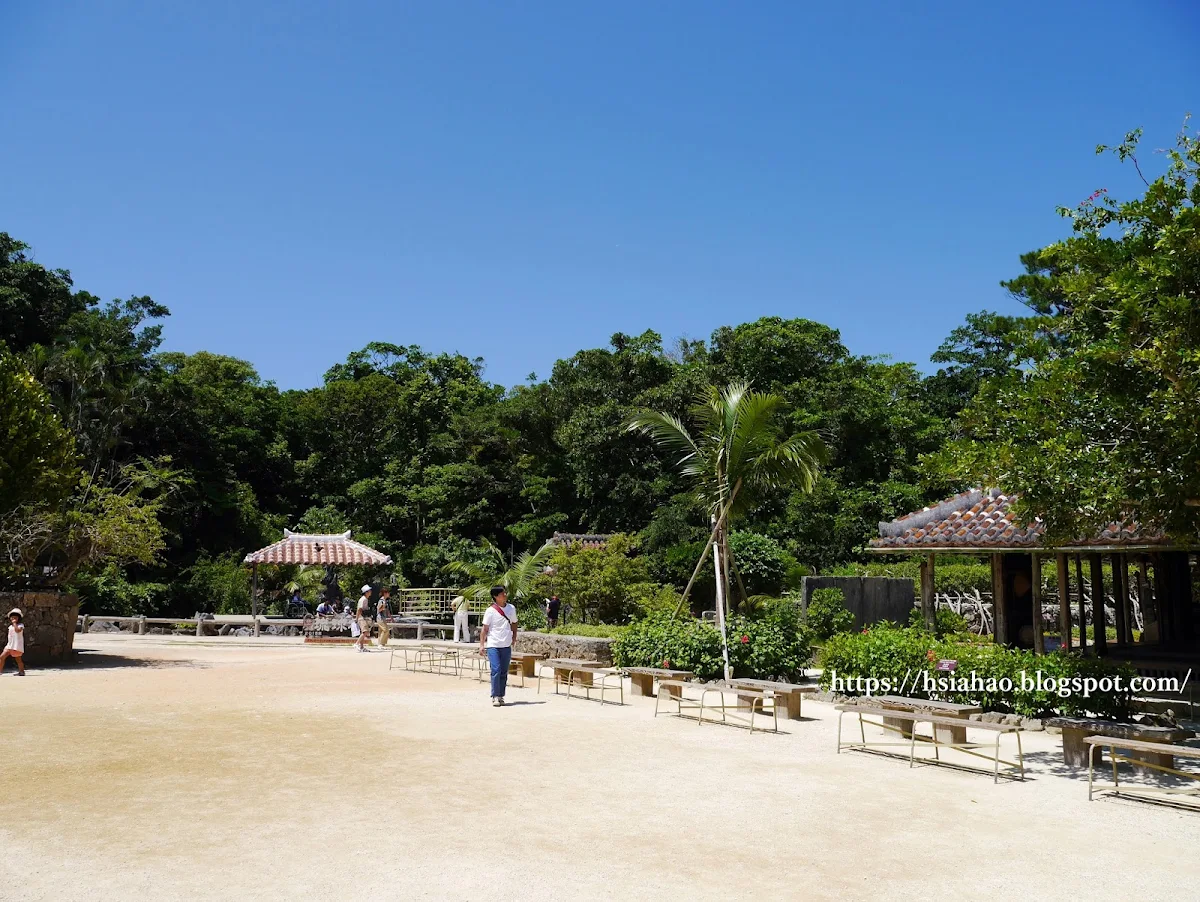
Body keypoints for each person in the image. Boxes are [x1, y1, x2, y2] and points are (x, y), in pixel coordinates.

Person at [479, 586, 517, 706]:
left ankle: (501, 695)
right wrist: (481, 645)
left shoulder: (511, 608)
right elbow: (485, 629)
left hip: (506, 644)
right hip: (493, 644)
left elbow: (514, 623)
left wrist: (514, 637)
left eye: (505, 593)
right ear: (496, 596)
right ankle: (495, 695)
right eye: (502, 594)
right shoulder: (490, 611)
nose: (505, 595)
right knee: (496, 669)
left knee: (503, 671)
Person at [1, 608, 26, 676]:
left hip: (16, 646)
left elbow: (17, 631)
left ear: (19, 618)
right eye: (12, 616)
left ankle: (22, 671)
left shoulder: (20, 625)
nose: (13, 618)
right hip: (9, 645)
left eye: (15, 616)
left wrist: (14, 623)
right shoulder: (10, 627)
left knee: (18, 660)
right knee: (2, 657)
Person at [354, 585, 372, 652]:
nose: (370, 592)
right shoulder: (363, 599)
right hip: (362, 617)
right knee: (365, 631)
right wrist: (357, 617)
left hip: (363, 617)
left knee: (363, 632)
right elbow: (359, 609)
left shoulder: (365, 599)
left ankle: (361, 647)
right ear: (366, 592)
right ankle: (356, 644)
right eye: (369, 591)